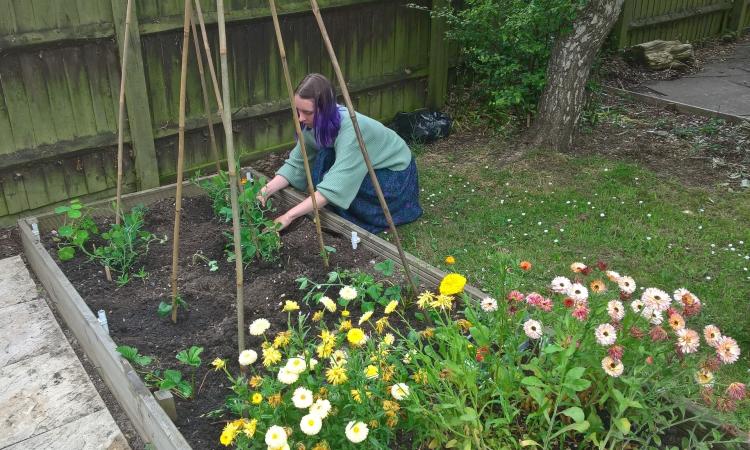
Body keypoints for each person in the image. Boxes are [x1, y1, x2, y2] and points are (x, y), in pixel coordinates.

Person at [258, 73, 422, 234]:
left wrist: (288, 216)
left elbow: (337, 184)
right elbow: (297, 164)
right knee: (324, 162)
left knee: (328, 173)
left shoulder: (352, 130)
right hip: (371, 167)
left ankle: (363, 217)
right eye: (297, 111)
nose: (300, 118)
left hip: (395, 177)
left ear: (325, 110)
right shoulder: (314, 124)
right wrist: (265, 191)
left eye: (307, 112)